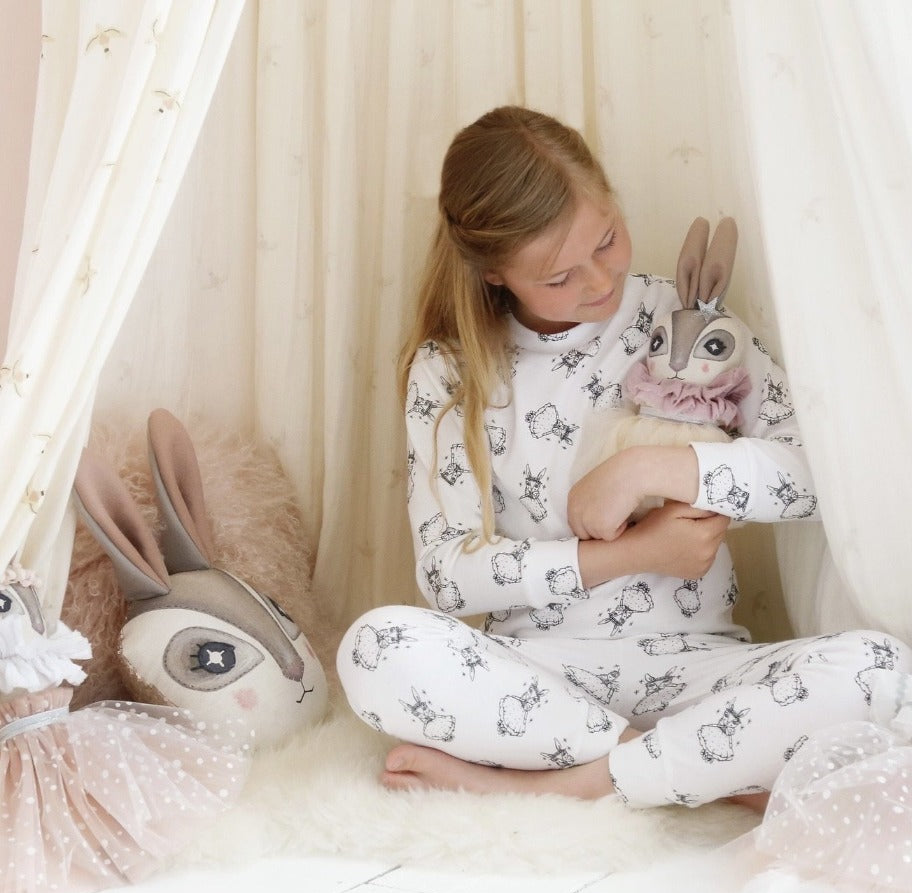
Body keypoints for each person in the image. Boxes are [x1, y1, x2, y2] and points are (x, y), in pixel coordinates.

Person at [335, 105, 912, 813]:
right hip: (537, 679)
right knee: (375, 648)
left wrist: (653, 470)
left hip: (700, 671)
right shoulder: (449, 369)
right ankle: (699, 773)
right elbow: (447, 576)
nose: (597, 282)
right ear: (493, 273)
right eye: (558, 277)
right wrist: (632, 554)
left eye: (606, 241)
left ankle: (569, 785)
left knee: (882, 669)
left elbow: (819, 477)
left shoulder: (686, 320)